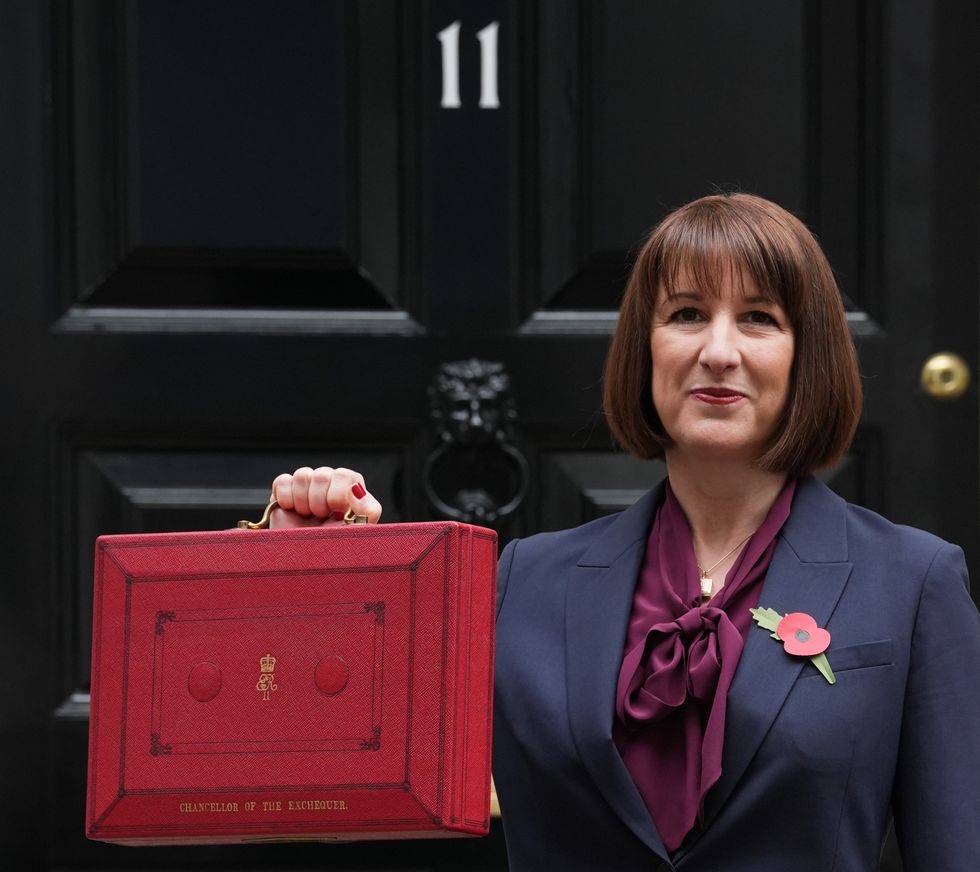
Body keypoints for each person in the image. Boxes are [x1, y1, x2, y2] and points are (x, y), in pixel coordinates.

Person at [269, 193, 980, 871]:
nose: (719, 350)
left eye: (759, 318)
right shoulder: (526, 581)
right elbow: (333, 794)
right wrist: (310, 587)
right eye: (687, 314)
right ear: (645, 349)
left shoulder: (912, 583)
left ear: (808, 355)